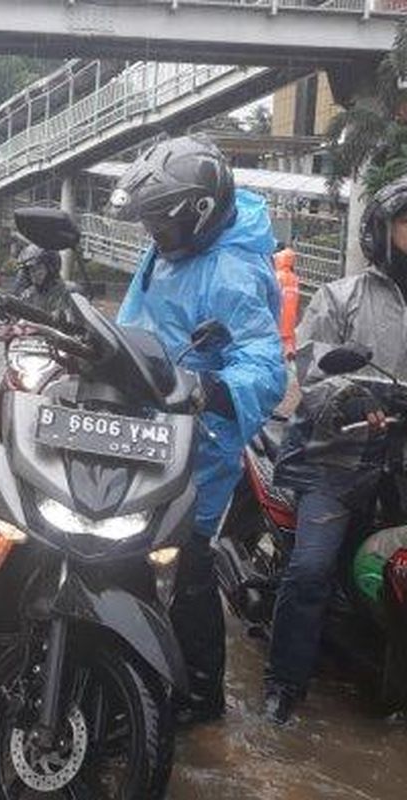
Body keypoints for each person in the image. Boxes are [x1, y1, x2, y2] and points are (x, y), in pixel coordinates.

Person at [111, 135, 286, 724]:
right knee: (129, 554)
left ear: (200, 213)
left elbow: (264, 364)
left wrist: (210, 391)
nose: (151, 232)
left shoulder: (232, 270)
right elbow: (138, 320)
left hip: (199, 443)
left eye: (160, 220)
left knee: (186, 565)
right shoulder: (168, 247)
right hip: (146, 428)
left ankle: (203, 695)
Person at [264, 177, 407, 724]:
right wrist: (351, 397)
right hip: (338, 460)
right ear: (380, 232)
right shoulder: (340, 297)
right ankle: (284, 686)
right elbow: (309, 367)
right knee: (310, 571)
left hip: (399, 463)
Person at [15, 244, 72, 317]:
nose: (33, 274)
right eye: (30, 270)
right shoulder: (29, 294)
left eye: (38, 268)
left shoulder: (65, 292)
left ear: (51, 268)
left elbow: (65, 322)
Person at [273, 241, 301, 360]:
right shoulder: (294, 278)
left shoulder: (277, 276)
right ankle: (290, 351)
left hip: (279, 312)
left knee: (278, 335)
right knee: (289, 336)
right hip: (291, 313)